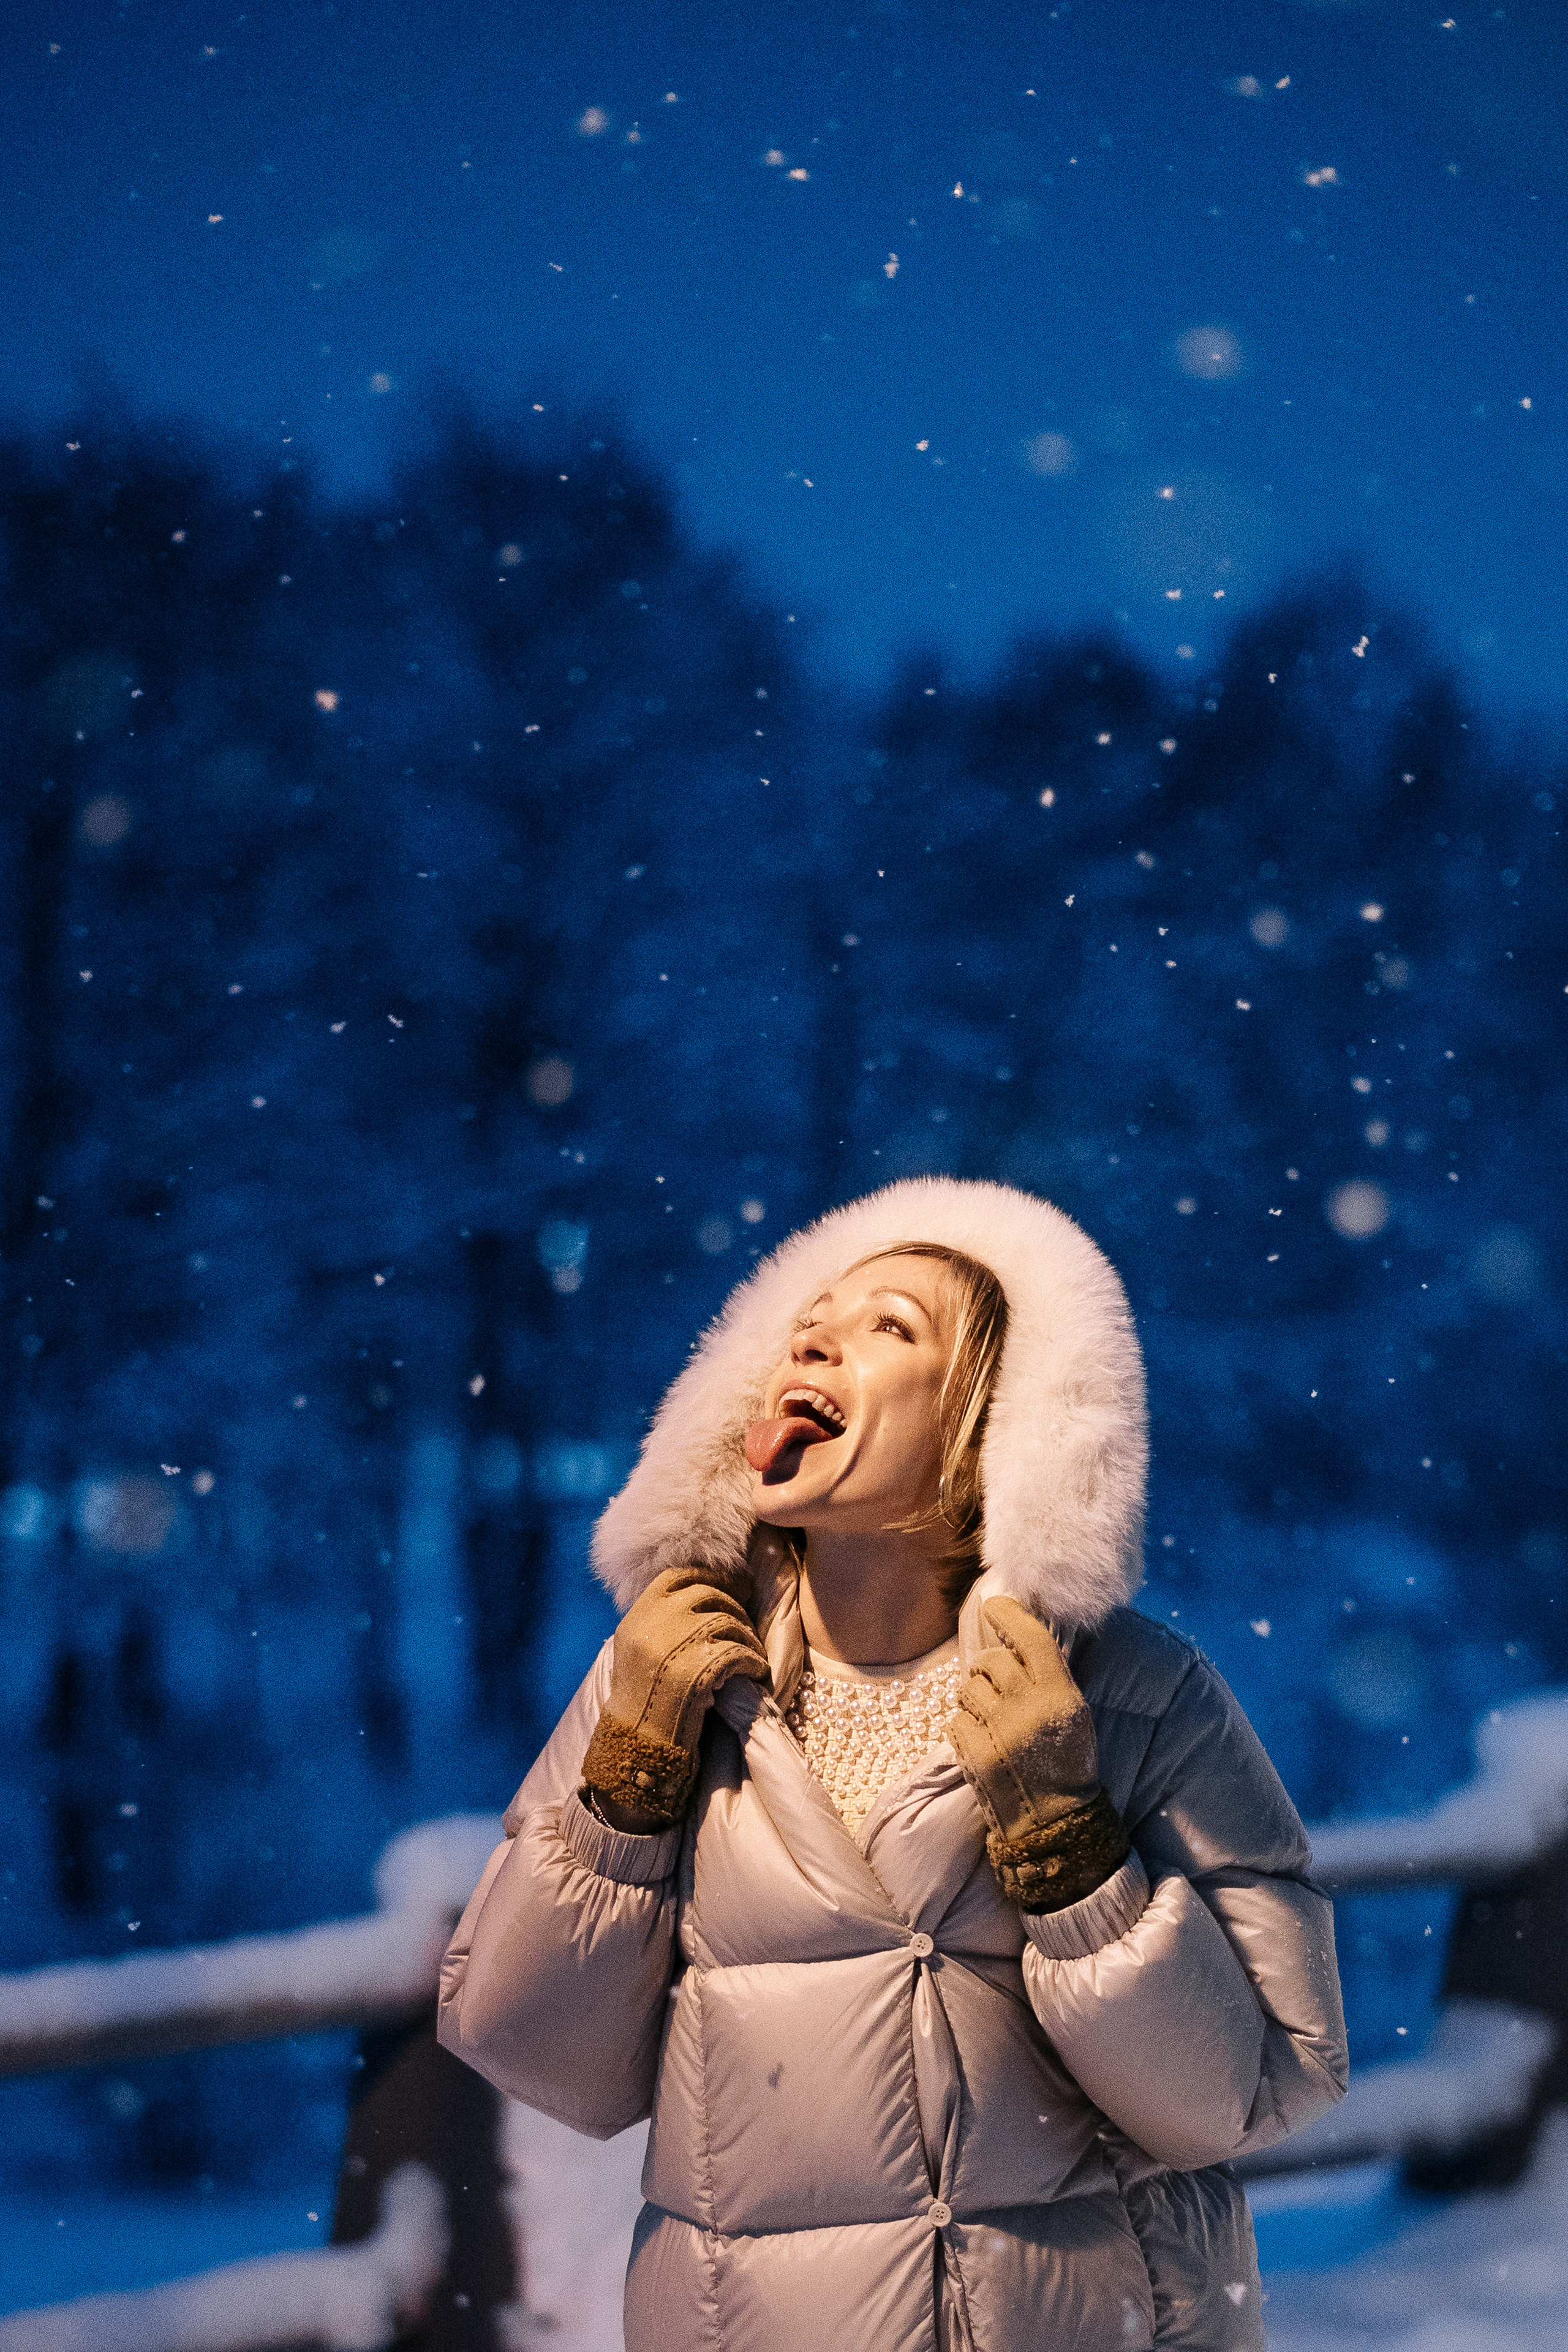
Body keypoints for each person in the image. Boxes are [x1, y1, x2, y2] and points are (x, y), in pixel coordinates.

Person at [439, 1178, 1348, 2350]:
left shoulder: (1136, 1696)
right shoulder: (664, 1675)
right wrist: (624, 1795)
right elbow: (538, 2053)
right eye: (809, 1319)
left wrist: (1071, 1856)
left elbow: (1244, 2098)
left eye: (889, 1327)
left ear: (992, 1430)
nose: (813, 1336)